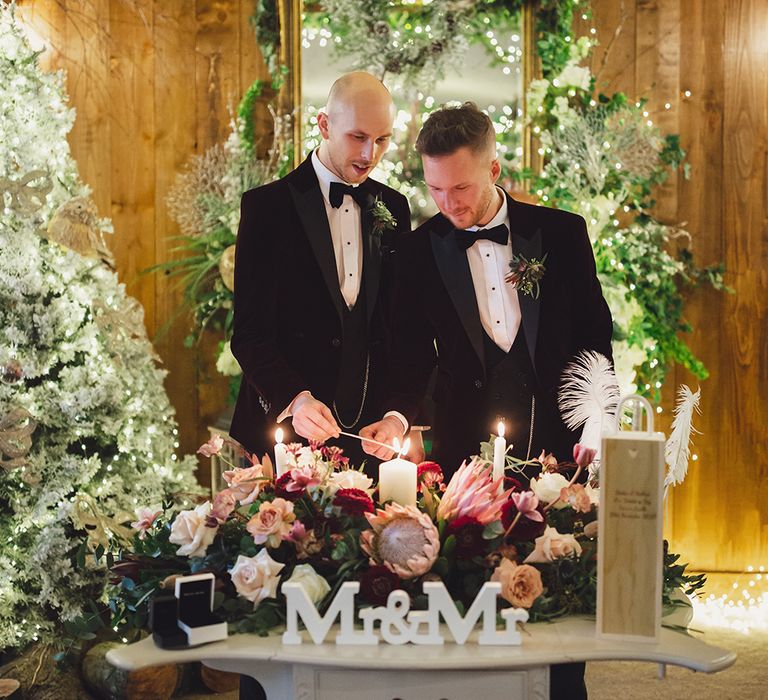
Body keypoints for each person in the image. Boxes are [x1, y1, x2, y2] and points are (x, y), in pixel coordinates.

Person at [360, 101, 613, 699]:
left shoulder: (562, 233)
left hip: (555, 446)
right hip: (463, 459)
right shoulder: (418, 252)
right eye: (435, 189)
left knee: (554, 596)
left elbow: (592, 336)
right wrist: (397, 415)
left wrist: (597, 417)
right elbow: (409, 356)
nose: (449, 203)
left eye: (462, 187)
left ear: (495, 167)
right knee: (469, 601)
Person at [229, 72, 410, 473]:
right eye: (358, 137)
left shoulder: (394, 208)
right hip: (279, 440)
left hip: (369, 439)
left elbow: (399, 328)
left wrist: (397, 414)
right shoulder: (267, 208)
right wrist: (295, 400)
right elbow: (249, 334)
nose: (371, 154)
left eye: (382, 139)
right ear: (325, 125)